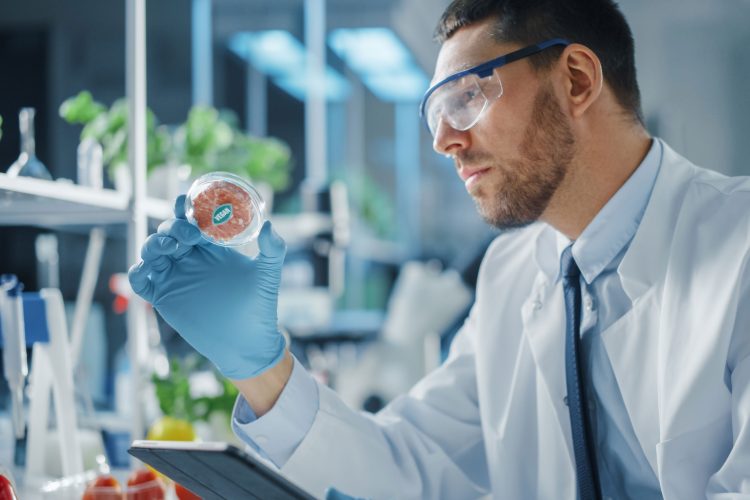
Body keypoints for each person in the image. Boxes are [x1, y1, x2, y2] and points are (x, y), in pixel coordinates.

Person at [128, 0, 750, 497]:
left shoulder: (738, 244)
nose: (444, 141)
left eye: (467, 99)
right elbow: (408, 471)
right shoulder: (513, 275)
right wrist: (259, 367)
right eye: (435, 114)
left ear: (578, 79)